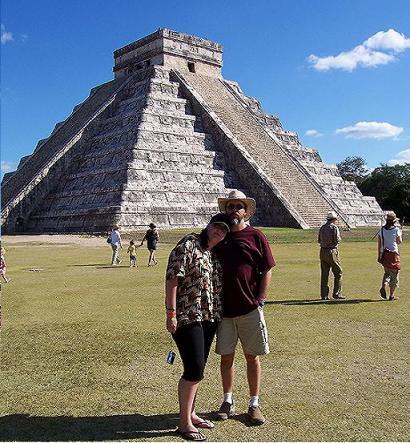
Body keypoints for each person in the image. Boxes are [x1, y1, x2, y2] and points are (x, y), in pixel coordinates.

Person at [165, 213, 231, 441]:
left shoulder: (214, 254)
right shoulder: (189, 244)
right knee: (193, 370)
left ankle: (190, 413)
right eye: (216, 227)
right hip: (187, 315)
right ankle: (184, 425)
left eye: (224, 230)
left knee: (199, 369)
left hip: (209, 317)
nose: (219, 232)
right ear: (209, 226)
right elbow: (173, 278)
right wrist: (171, 313)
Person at [214, 190, 275, 426]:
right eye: (230, 206)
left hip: (250, 308)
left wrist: (261, 297)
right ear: (225, 210)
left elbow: (267, 268)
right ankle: (227, 400)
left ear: (245, 211)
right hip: (224, 310)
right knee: (226, 358)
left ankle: (254, 403)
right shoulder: (220, 236)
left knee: (252, 358)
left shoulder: (256, 236)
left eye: (238, 206)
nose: (234, 210)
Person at [318, 211, 345, 300]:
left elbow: (319, 240)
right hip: (332, 251)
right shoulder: (334, 227)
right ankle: (337, 293)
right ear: (334, 219)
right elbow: (337, 240)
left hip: (322, 251)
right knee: (338, 272)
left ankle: (324, 295)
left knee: (324, 274)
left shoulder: (322, 227)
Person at [378, 211, 402, 301]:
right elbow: (399, 242)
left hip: (384, 254)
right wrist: (400, 235)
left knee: (387, 273)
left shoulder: (382, 230)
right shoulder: (396, 230)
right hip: (393, 254)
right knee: (394, 275)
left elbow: (379, 244)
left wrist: (379, 256)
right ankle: (391, 295)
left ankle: (384, 285)